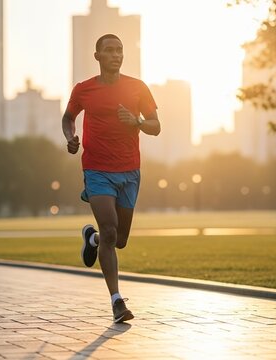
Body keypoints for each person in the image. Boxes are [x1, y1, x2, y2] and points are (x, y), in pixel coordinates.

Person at [62, 34, 161, 323]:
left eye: (119, 50)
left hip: (130, 171)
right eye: (109, 50)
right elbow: (68, 118)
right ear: (98, 56)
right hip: (96, 169)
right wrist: (71, 138)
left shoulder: (138, 88)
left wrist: (138, 122)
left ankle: (90, 239)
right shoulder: (84, 89)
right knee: (109, 230)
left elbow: (156, 126)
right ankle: (117, 302)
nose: (116, 55)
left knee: (119, 240)